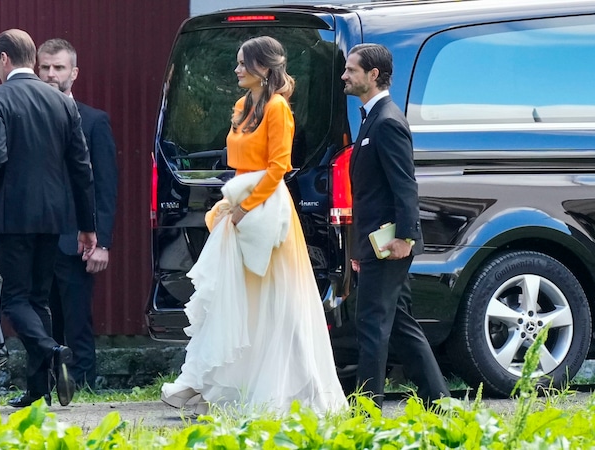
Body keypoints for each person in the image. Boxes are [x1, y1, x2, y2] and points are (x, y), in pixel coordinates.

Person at [161, 36, 347, 415]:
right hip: (239, 205)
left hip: (266, 211)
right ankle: (214, 383)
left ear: (264, 68)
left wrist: (246, 205)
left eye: (243, 63)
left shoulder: (278, 109)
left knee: (275, 301)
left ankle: (283, 388)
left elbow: (279, 166)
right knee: (236, 300)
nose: (237, 70)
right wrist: (231, 203)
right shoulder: (242, 105)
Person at [0, 29, 97, 408]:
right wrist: (87, 226)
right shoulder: (62, 102)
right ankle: (39, 391)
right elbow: (81, 167)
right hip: (56, 217)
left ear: (4, 59)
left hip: (16, 215)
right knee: (39, 301)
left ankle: (51, 349)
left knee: (15, 301)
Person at [342, 43, 450, 408]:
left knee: (371, 325)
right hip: (375, 244)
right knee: (400, 323)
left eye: (351, 70)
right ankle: (441, 402)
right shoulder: (373, 118)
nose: (345, 75)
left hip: (389, 244)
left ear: (373, 75)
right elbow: (371, 193)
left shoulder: (387, 121)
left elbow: (405, 185)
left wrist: (406, 236)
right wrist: (359, 247)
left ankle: (365, 410)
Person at [37, 38, 118, 390]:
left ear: (74, 72)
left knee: (77, 318)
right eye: (45, 67)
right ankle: (48, 383)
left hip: (78, 240)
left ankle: (83, 383)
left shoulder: (94, 121)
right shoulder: (27, 116)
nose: (52, 74)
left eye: (59, 67)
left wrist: (103, 241)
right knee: (42, 316)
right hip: (38, 237)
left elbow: (106, 186)